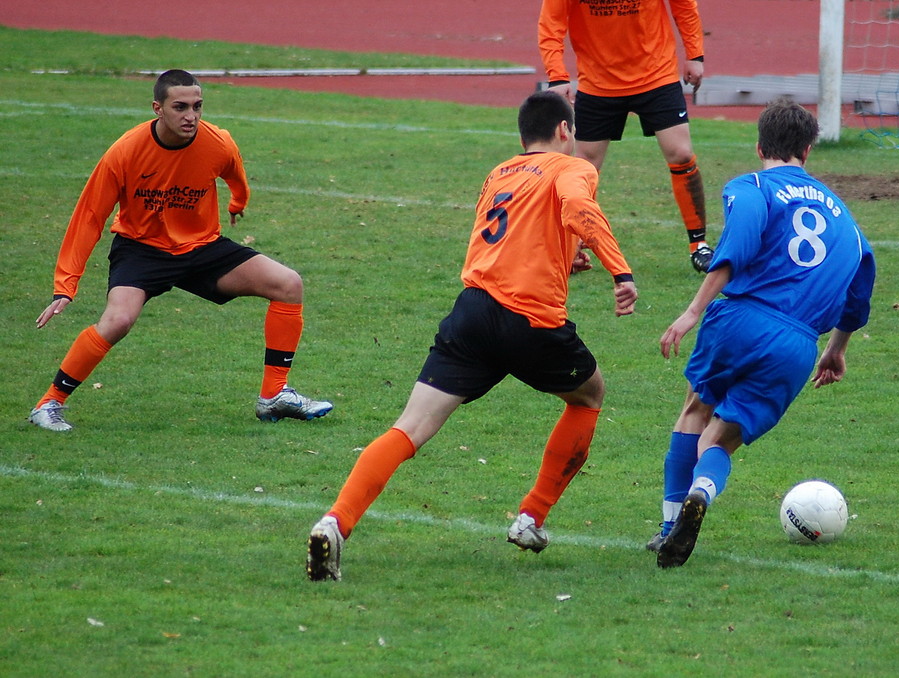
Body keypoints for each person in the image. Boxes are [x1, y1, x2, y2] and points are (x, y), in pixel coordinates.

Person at [306, 91, 638, 582]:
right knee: (589, 395)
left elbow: (511, 236)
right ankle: (531, 517)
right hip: (529, 321)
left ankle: (335, 522)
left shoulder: (500, 173)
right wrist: (620, 272)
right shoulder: (576, 167)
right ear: (565, 131)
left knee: (410, 426)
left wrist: (566, 254)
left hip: (473, 312)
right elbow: (576, 209)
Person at [28, 69, 332, 432]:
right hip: (142, 250)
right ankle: (48, 404)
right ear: (158, 108)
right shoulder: (125, 152)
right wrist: (66, 284)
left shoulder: (217, 143)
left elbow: (236, 175)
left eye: (198, 106)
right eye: (180, 107)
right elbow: (90, 217)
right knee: (118, 320)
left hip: (202, 248)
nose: (191, 116)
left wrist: (238, 203)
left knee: (288, 284)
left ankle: (273, 396)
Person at [648, 98, 876, 568]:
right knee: (721, 440)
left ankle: (671, 524)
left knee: (695, 410)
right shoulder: (846, 220)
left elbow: (735, 249)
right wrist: (836, 350)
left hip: (740, 320)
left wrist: (692, 311)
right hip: (797, 345)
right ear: (808, 151)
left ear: (758, 147)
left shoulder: (752, 187)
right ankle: (702, 495)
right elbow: (859, 291)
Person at [538, 0, 715, 273]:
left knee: (680, 153)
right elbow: (551, 22)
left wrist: (695, 54)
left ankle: (699, 246)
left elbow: (684, 5)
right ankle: (570, 247)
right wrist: (557, 76)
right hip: (598, 82)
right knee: (584, 167)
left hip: (657, 75)